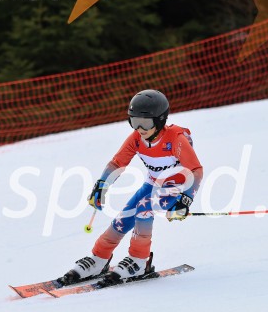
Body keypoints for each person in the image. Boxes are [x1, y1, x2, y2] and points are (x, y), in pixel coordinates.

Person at [64, 89, 204, 285]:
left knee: (145, 208)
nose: (140, 128)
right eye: (134, 121)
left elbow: (196, 170)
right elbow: (117, 163)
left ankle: (140, 261)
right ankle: (99, 258)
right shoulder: (137, 139)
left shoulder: (175, 139)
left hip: (176, 185)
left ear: (160, 120)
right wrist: (102, 185)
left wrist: (185, 199)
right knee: (124, 217)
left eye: (145, 122)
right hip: (153, 183)